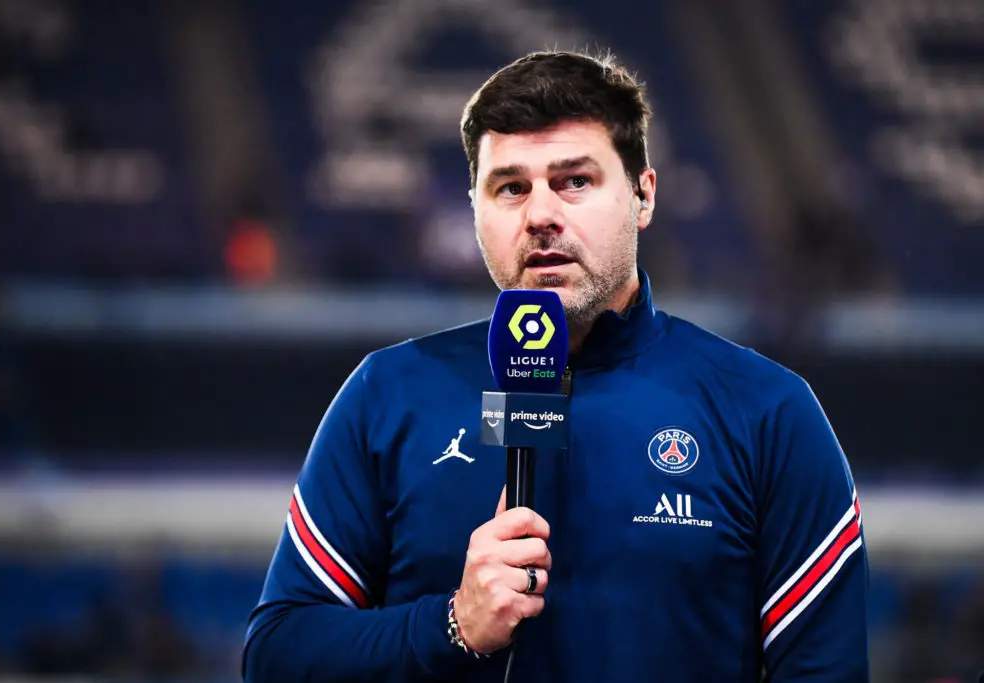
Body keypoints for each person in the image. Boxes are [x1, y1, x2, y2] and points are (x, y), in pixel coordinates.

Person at [242, 49, 869, 682]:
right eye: (511, 187)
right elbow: (275, 655)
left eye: (575, 181)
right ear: (475, 209)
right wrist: (451, 625)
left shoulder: (767, 412)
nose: (540, 215)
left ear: (643, 196)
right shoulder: (388, 394)